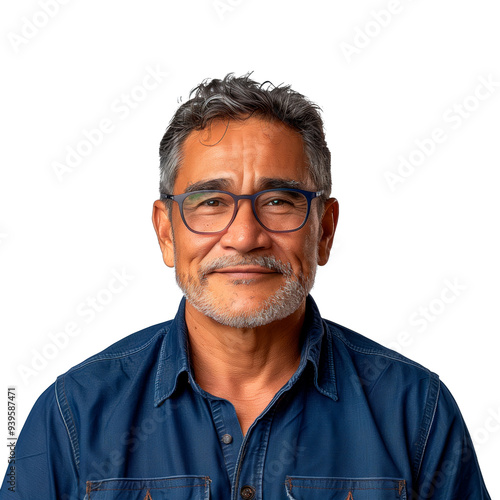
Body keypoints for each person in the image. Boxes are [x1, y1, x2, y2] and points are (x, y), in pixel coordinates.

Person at [1, 73, 490, 500]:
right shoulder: (73, 415)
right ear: (166, 232)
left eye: (279, 200)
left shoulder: (416, 413)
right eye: (210, 201)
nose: (244, 236)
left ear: (324, 230)